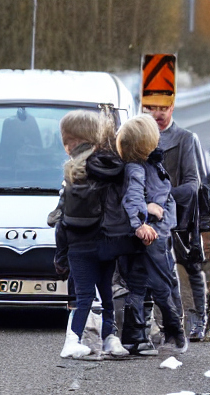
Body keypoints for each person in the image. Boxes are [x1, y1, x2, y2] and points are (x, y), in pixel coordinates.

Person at [54, 110, 132, 359]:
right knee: (107, 292)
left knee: (84, 296)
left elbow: (62, 220)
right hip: (106, 241)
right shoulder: (111, 167)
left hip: (78, 245)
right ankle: (110, 337)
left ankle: (72, 340)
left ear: (73, 142)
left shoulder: (71, 173)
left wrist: (60, 255)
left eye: (68, 141)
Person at [116, 114, 188, 354]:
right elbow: (133, 196)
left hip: (153, 232)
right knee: (160, 285)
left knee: (138, 284)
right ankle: (173, 335)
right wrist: (141, 222)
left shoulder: (150, 163)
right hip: (151, 235)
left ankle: (135, 338)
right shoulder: (138, 167)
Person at [142, 99, 207, 341]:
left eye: (163, 108)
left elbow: (193, 184)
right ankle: (165, 324)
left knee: (190, 265)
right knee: (160, 271)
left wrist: (162, 196)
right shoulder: (141, 136)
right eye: (151, 108)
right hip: (150, 217)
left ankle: (198, 319)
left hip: (181, 215)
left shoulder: (185, 138)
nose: (157, 113)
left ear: (172, 108)